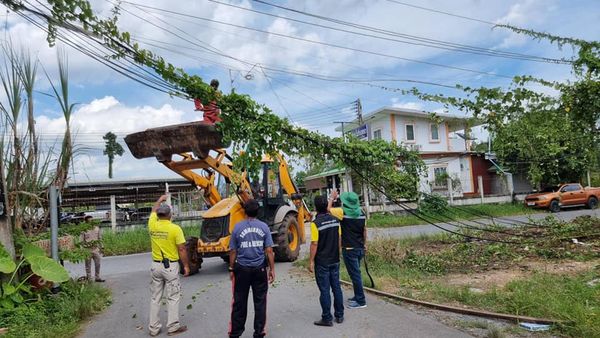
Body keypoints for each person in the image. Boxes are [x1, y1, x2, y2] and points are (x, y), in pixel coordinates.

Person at [228, 199, 275, 338]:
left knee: (239, 302)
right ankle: (259, 332)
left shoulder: (237, 227)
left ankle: (235, 333)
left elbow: (233, 251)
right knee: (260, 302)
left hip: (241, 269)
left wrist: (231, 268)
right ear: (258, 211)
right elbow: (269, 250)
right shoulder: (264, 227)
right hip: (259, 269)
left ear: (244, 211)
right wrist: (272, 269)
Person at [148, 194, 190, 337]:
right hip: (170, 268)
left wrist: (159, 200)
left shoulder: (152, 224)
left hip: (155, 266)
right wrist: (186, 266)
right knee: (172, 297)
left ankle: (153, 328)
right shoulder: (175, 229)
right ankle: (172, 327)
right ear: (170, 215)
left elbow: (153, 211)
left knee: (155, 298)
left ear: (158, 215)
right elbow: (182, 249)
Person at [328, 190, 368, 309]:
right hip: (360, 247)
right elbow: (364, 231)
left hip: (350, 249)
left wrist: (332, 198)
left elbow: (328, 210)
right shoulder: (362, 213)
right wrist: (365, 244)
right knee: (356, 274)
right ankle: (357, 296)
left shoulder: (342, 212)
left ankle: (361, 301)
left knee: (355, 275)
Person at [309, 195, 344, 326]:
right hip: (335, 259)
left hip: (322, 262)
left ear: (315, 208)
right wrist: (338, 252)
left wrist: (311, 261)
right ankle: (340, 316)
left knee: (324, 290)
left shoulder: (315, 224)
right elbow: (339, 238)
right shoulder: (336, 221)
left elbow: (314, 244)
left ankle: (327, 318)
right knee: (336, 288)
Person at [81, 215, 104, 282]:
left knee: (98, 264)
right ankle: (89, 278)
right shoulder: (84, 230)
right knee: (88, 265)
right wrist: (82, 249)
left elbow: (100, 238)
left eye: (92, 220)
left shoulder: (97, 228)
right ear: (86, 222)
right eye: (89, 221)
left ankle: (97, 277)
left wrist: (102, 247)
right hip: (87, 249)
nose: (91, 222)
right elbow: (81, 241)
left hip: (96, 249)